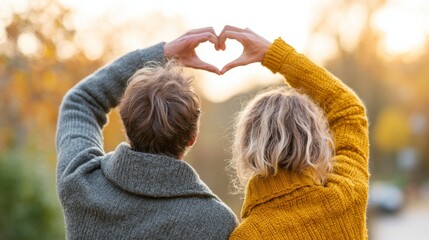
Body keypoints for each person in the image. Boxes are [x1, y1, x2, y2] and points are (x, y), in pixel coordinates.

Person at [55, 27, 238, 239]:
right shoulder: (216, 222)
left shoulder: (81, 182)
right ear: (192, 137)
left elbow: (80, 100)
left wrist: (163, 53)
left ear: (126, 127)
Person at [218, 26, 369, 239]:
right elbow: (348, 109)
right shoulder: (346, 196)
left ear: (247, 147)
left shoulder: (248, 235)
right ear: (316, 141)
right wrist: (275, 55)